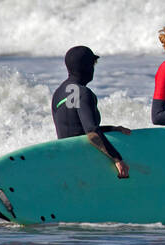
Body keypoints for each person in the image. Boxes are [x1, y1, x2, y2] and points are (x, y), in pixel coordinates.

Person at [52, 46, 131, 178]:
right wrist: (117, 159)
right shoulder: (83, 93)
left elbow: (75, 129)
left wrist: (113, 128)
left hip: (66, 158)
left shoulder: (58, 93)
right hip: (84, 159)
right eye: (93, 64)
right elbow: (92, 132)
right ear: (87, 67)